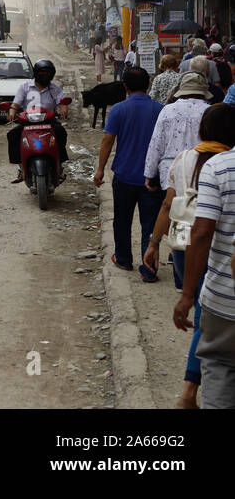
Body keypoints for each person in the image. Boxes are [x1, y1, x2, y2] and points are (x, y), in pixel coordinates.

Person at [145, 104, 235, 408]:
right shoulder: (225, 163)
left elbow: (169, 206)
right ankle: (189, 391)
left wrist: (154, 242)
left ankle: (189, 392)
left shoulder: (185, 159)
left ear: (203, 130)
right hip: (217, 258)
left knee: (204, 319)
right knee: (204, 320)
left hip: (188, 251)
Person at [174, 120, 235, 409]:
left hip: (225, 300)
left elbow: (201, 232)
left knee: (221, 370)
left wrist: (187, 295)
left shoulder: (220, 166)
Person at [95, 66, 165, 277]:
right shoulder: (160, 110)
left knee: (122, 220)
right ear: (149, 85)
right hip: (152, 177)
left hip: (124, 175)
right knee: (150, 225)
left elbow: (108, 140)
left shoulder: (118, 109)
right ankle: (149, 269)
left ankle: (124, 259)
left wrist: (100, 170)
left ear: (125, 87)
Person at [141, 71, 212, 279]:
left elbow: (156, 144)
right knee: (198, 215)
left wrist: (149, 173)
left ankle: (179, 258)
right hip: (202, 170)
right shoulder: (209, 112)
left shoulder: (167, 110)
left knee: (178, 214)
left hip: (171, 172)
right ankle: (197, 262)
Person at [6, 59, 68, 184]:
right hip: (27, 122)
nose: (45, 75)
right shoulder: (25, 87)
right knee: (12, 135)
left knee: (61, 132)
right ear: (36, 73)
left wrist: (64, 109)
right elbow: (16, 103)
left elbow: (62, 102)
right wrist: (12, 112)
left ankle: (59, 164)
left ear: (52, 74)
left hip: (49, 122)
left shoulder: (54, 88)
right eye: (42, 72)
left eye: (47, 72)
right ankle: (21, 167)